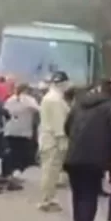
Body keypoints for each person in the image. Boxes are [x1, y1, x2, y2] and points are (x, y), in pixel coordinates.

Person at [62, 80, 111, 221]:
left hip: (74, 157)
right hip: (95, 158)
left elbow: (67, 127)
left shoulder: (79, 104)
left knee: (78, 198)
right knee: (89, 199)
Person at [37, 71, 71, 212]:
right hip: (54, 140)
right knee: (51, 171)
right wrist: (62, 141)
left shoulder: (50, 98)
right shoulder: (55, 100)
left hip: (47, 138)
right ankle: (47, 200)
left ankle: (48, 197)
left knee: (49, 170)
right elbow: (59, 123)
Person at [1, 83, 39, 188]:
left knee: (11, 155)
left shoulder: (9, 100)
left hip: (10, 131)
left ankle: (9, 175)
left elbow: (4, 111)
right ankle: (14, 177)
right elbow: (38, 109)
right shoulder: (29, 100)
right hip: (23, 132)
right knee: (22, 157)